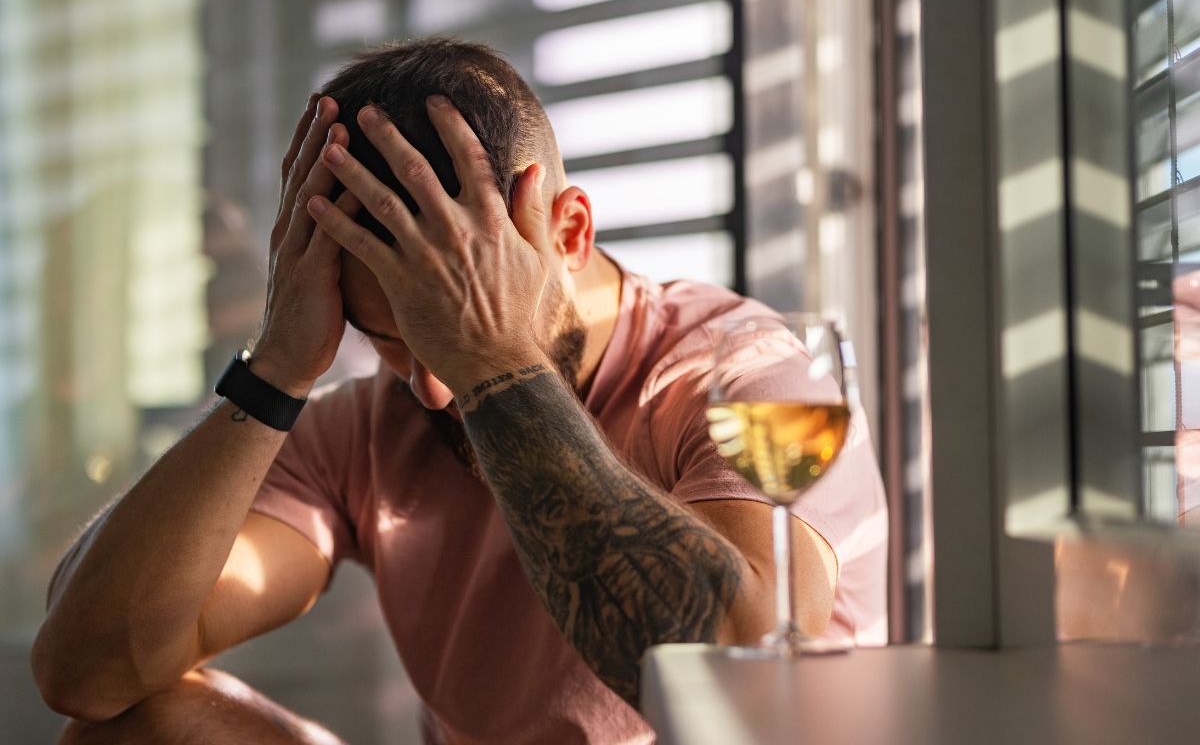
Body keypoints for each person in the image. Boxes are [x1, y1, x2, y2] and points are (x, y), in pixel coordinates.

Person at [31, 38, 887, 744]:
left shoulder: (744, 379)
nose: (435, 391)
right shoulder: (372, 421)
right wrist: (276, 371)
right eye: (395, 342)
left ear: (569, 232)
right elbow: (86, 670)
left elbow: (736, 685)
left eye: (452, 329)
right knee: (138, 729)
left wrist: (495, 363)